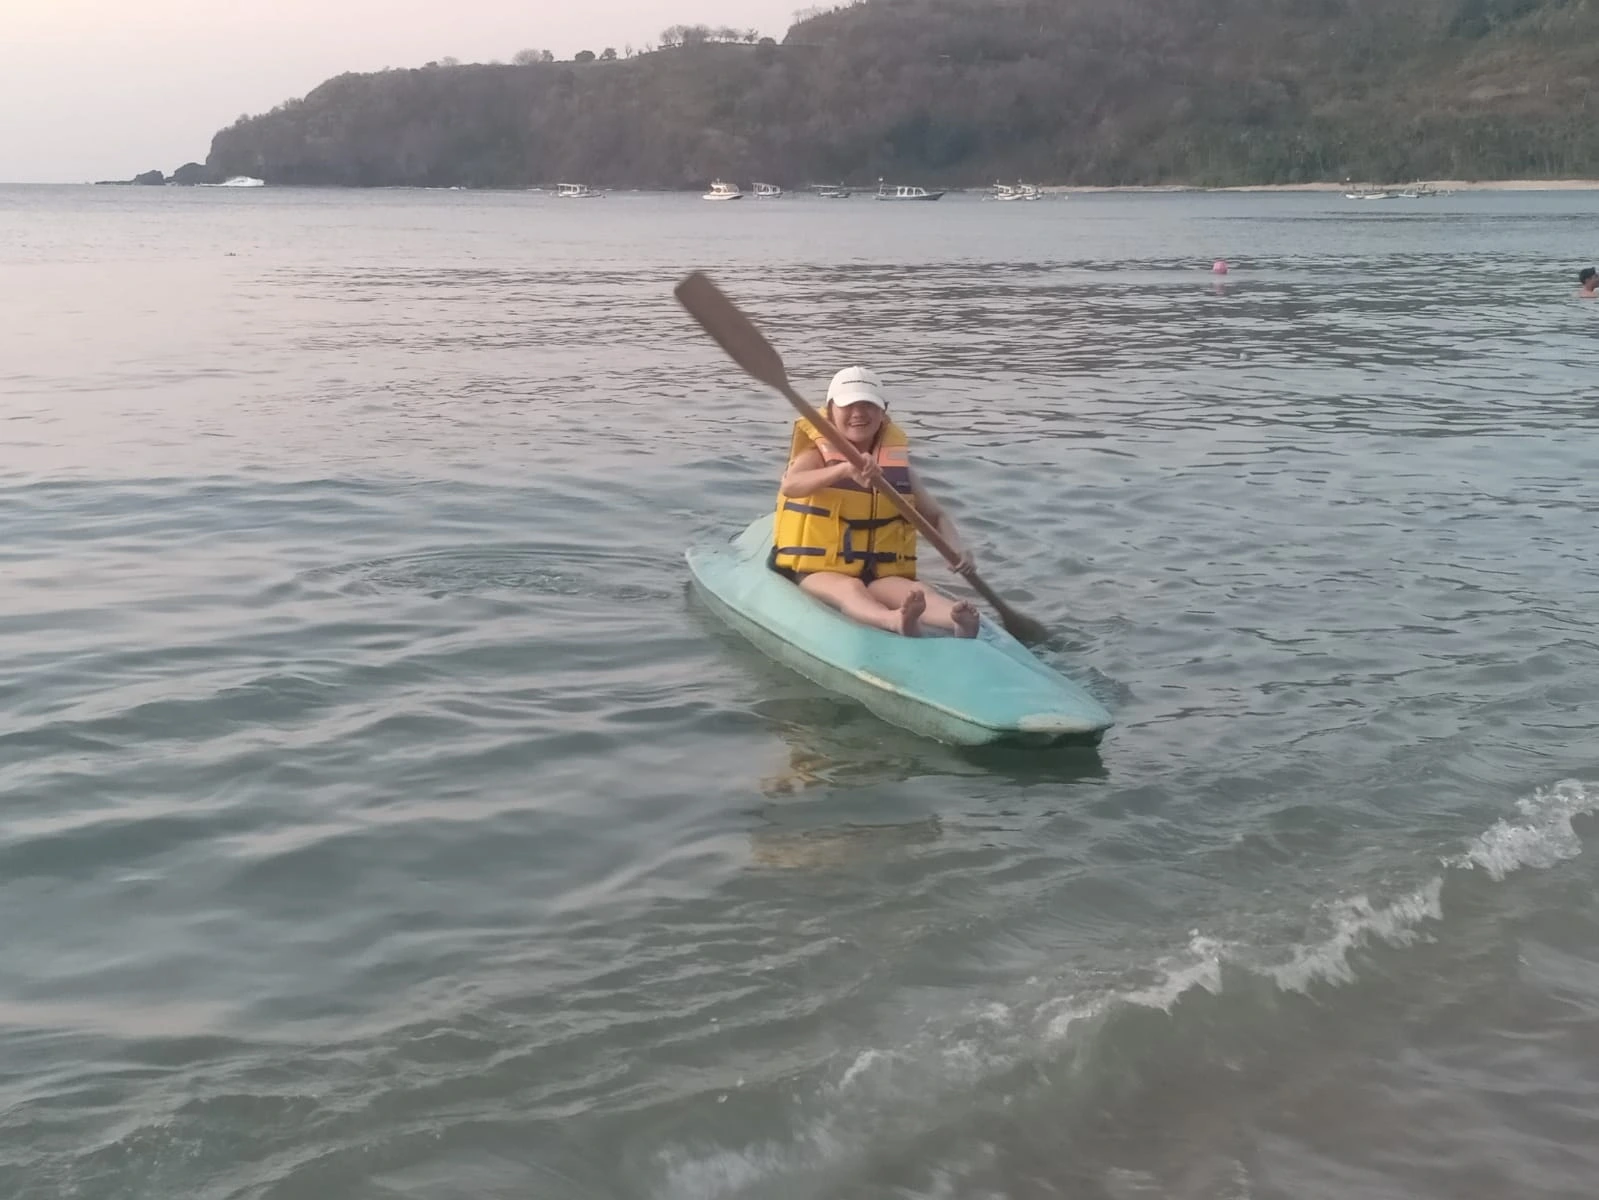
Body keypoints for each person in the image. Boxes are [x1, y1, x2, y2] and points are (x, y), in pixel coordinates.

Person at [771, 366, 981, 638]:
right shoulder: (816, 456)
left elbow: (936, 515)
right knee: (851, 590)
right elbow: (790, 486)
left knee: (913, 591)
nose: (859, 413)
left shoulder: (896, 467)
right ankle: (892, 620)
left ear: (883, 412)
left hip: (879, 572)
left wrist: (957, 547)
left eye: (868, 405)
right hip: (819, 571)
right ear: (831, 411)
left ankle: (955, 619)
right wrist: (844, 470)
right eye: (849, 405)